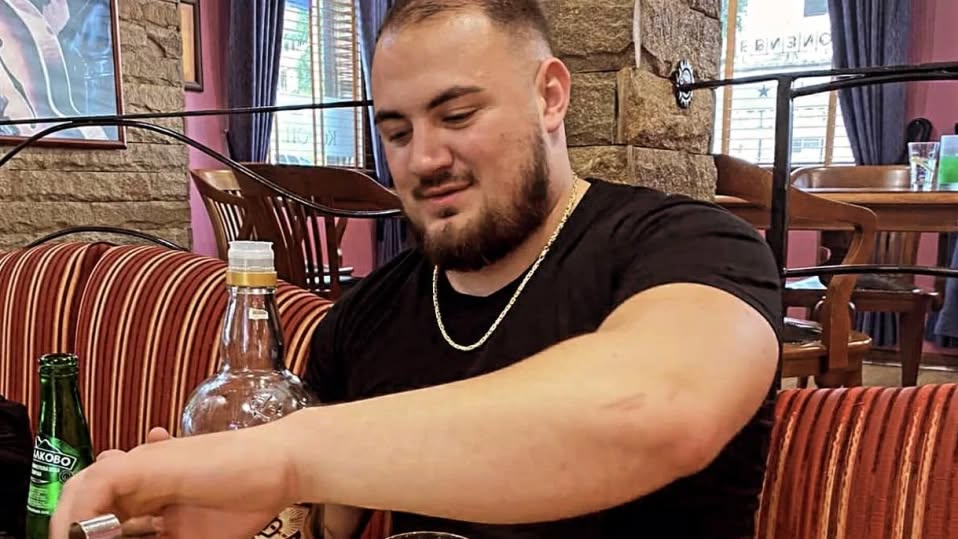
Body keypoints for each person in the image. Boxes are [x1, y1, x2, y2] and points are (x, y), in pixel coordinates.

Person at [50, 1, 782, 538]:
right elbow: (324, 521)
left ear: (550, 95)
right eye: (397, 131)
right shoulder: (366, 319)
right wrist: (225, 512)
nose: (423, 159)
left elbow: (657, 411)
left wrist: (279, 456)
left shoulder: (689, 246)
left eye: (457, 116)